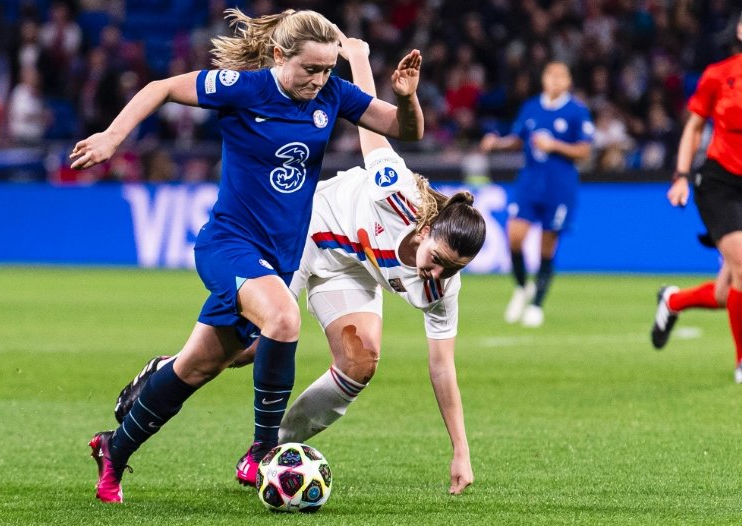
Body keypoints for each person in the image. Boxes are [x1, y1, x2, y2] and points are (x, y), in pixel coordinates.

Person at [70, 9, 424, 504]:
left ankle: (115, 448)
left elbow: (405, 130)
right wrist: (112, 136)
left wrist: (406, 99)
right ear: (281, 56)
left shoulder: (331, 94)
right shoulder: (244, 88)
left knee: (195, 368)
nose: (319, 80)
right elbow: (160, 87)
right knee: (283, 317)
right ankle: (263, 451)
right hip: (229, 244)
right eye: (310, 69)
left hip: (277, 258)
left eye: (327, 70)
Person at [655, 12, 742, 383]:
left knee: (728, 291)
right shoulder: (718, 75)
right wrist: (682, 175)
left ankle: (672, 301)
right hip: (720, 182)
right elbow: (694, 127)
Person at [479, 62, 593, 328]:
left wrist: (555, 145)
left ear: (568, 82)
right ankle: (521, 286)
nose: (555, 81)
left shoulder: (577, 111)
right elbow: (518, 139)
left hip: (559, 187)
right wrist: (497, 143)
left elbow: (585, 151)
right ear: (543, 79)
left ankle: (537, 304)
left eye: (560, 77)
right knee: (515, 237)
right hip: (530, 183)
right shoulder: (531, 107)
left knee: (546, 246)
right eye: (550, 76)